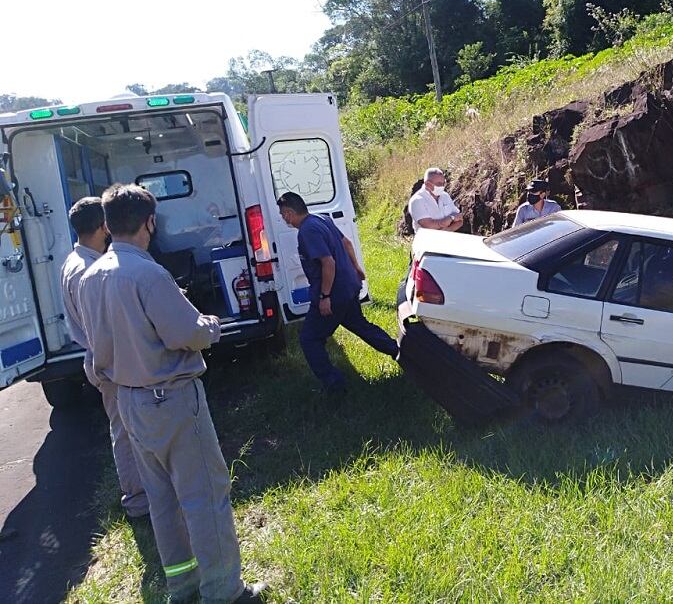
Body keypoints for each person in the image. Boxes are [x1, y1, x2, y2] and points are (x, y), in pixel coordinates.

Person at [78, 184, 265, 604]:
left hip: (129, 401)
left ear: (107, 226)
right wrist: (211, 325)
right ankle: (224, 591)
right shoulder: (149, 274)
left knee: (161, 500)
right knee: (204, 495)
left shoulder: (90, 277)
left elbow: (95, 352)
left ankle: (182, 586)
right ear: (150, 222)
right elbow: (187, 334)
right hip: (172, 399)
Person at [60, 197, 149, 520]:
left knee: (127, 427)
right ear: (104, 227)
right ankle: (138, 500)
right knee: (126, 431)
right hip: (108, 360)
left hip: (102, 358)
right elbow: (103, 325)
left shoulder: (75, 260)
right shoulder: (87, 270)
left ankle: (143, 491)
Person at [277, 192, 398, 393]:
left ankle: (334, 384)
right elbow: (347, 243)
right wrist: (356, 268)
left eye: (283, 215)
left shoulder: (307, 231)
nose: (283, 219)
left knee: (310, 339)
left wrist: (324, 297)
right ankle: (400, 351)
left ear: (289, 213)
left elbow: (328, 263)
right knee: (361, 326)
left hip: (334, 295)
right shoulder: (322, 218)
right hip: (349, 287)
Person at [408, 167, 463, 233]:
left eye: (443, 183)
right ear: (427, 184)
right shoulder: (417, 200)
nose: (442, 186)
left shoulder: (445, 196)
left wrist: (448, 230)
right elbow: (428, 225)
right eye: (439, 184)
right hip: (426, 242)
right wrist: (451, 218)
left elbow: (460, 220)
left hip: (448, 239)